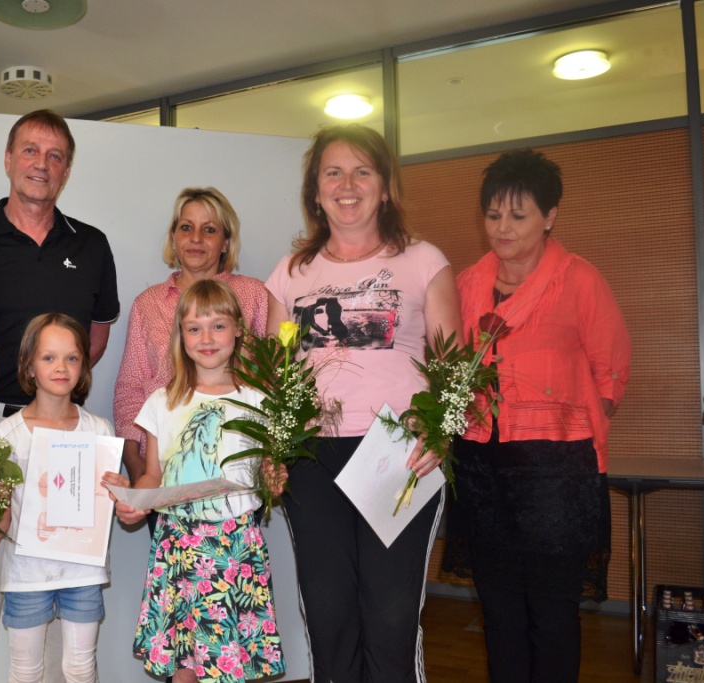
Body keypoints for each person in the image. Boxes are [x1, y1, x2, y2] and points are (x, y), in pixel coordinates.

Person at [264, 123, 462, 682]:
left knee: (392, 615)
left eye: (362, 171)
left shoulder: (424, 260)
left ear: (384, 185)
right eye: (333, 172)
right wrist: (275, 449)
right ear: (315, 189)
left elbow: (453, 368)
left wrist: (437, 433)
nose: (346, 184)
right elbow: (279, 379)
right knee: (327, 614)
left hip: (396, 454)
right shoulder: (290, 273)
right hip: (311, 459)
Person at [442, 149, 631, 682]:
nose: (502, 228)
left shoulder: (579, 280)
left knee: (550, 614)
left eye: (518, 215)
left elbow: (611, 368)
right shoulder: (467, 284)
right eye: (493, 214)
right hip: (483, 468)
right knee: (498, 612)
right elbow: (451, 365)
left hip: (554, 473)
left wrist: (576, 424)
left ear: (550, 216)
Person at [0, 109, 120, 681]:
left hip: (66, 436)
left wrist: (59, 394)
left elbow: (95, 333)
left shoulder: (91, 245)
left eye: (55, 155)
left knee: (60, 584)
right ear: (7, 158)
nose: (41, 165)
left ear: (66, 169)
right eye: (29, 151)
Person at [103, 280, 287, 683]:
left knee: (228, 661)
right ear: (180, 335)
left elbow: (268, 476)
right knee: (183, 665)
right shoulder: (161, 402)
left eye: (218, 326)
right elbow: (153, 473)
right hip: (178, 547)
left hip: (235, 545)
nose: (207, 338)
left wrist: (275, 480)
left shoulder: (258, 400)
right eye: (194, 328)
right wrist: (135, 500)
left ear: (239, 329)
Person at [0, 313, 113, 683]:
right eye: (48, 358)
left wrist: (122, 494)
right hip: (26, 574)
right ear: (29, 366)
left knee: (80, 668)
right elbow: (0, 509)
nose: (61, 368)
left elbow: (105, 498)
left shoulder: (99, 430)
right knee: (25, 672)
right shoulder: (7, 434)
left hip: (83, 572)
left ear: (83, 367)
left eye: (71, 358)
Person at [114, 187, 267, 493]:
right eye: (186, 228)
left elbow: (271, 377)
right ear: (174, 237)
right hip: (162, 468)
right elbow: (129, 390)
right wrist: (140, 470)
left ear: (225, 242)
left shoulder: (254, 296)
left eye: (209, 230)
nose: (196, 238)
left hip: (232, 470)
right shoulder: (148, 303)